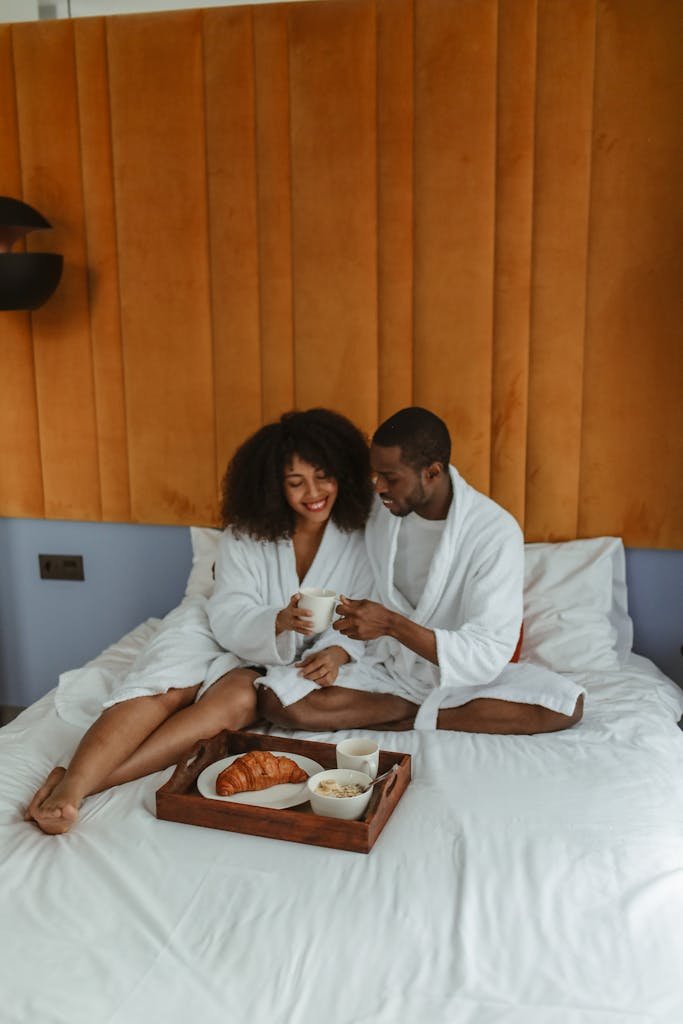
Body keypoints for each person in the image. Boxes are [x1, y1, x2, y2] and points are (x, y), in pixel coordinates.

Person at [24, 408, 384, 834]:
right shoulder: (246, 534)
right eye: (295, 483)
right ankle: (73, 787)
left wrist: (338, 651)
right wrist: (279, 621)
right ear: (273, 486)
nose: (314, 492)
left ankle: (77, 785)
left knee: (238, 703)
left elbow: (368, 612)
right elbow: (229, 611)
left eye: (324, 476)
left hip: (287, 656)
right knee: (166, 687)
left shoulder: (362, 538)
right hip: (217, 629)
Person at [258, 407, 586, 734]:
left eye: (391, 477)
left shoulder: (493, 532)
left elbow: (488, 653)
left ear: (431, 472)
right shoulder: (382, 512)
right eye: (376, 475)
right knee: (276, 699)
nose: (378, 488)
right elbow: (337, 557)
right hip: (388, 668)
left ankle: (407, 714)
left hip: (461, 679)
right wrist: (338, 651)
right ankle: (421, 712)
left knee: (564, 705)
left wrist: (391, 624)